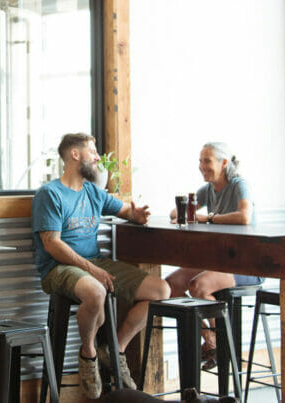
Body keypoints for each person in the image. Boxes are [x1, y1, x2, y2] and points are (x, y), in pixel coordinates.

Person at [32, 133, 171, 399]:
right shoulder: (50, 194)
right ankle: (88, 353)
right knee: (96, 292)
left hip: (94, 264)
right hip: (57, 267)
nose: (97, 158)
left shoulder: (94, 192)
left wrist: (137, 215)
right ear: (75, 155)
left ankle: (115, 349)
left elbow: (125, 211)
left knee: (161, 291)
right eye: (92, 151)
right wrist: (92, 269)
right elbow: (52, 244)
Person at [165, 141, 262, 370]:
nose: (201, 166)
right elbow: (176, 213)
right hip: (219, 261)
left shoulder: (239, 185)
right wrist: (183, 213)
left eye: (206, 161)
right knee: (170, 286)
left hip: (247, 264)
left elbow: (245, 217)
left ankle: (222, 344)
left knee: (198, 286)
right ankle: (211, 340)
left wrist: (207, 218)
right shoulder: (208, 190)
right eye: (200, 161)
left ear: (224, 162)